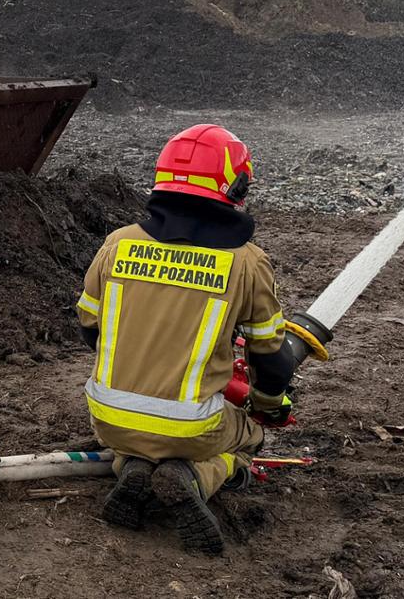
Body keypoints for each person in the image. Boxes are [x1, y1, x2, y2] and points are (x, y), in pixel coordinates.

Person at [76, 124, 317, 555]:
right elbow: (271, 358)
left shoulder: (117, 244)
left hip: (107, 417)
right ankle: (193, 478)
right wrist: (267, 408)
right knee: (250, 437)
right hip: (193, 428)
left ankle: (131, 465)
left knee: (139, 438)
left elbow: (89, 330)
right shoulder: (246, 262)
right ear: (235, 186)